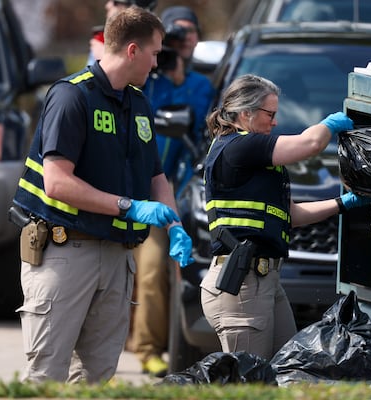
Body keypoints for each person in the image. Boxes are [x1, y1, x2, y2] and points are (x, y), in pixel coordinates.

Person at [11, 7, 194, 383]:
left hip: (115, 257)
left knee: (96, 379)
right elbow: (57, 183)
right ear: (132, 50)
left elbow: (156, 176)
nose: (158, 62)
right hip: (65, 253)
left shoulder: (138, 102)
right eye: (155, 52)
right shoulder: (70, 97)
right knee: (46, 375)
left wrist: (174, 224)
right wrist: (128, 207)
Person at [199, 74, 371, 361]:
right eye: (270, 114)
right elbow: (310, 145)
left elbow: (291, 215)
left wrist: (343, 203)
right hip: (242, 286)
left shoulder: (253, 159)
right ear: (245, 114)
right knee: (249, 386)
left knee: (287, 371)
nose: (275, 122)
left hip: (263, 281)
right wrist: (329, 125)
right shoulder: (239, 146)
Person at [128, 5, 215, 378]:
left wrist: (180, 74)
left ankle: (177, 344)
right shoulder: (146, 79)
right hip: (144, 193)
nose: (182, 40)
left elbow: (205, 134)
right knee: (149, 271)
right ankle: (147, 348)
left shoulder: (202, 85)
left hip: (183, 191)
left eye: (188, 33)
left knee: (179, 274)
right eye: (173, 34)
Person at [87, 0, 157, 66]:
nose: (108, 5)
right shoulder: (101, 40)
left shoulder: (154, 41)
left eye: (115, 2)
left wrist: (105, 59)